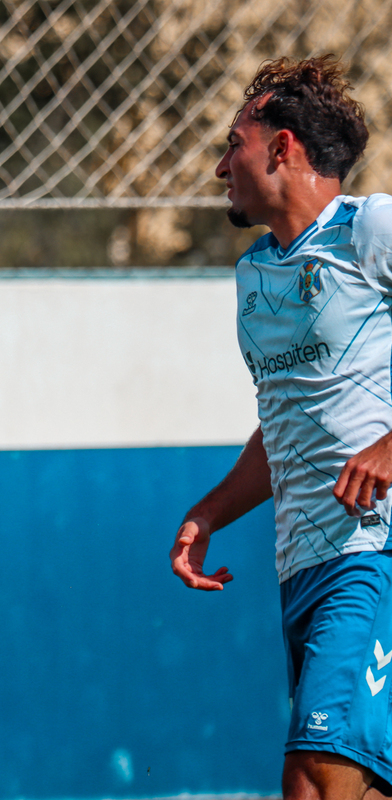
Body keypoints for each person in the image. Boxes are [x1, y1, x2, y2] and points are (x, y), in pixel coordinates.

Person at [169, 55, 392, 800]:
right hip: (304, 569)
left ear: (282, 147)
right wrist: (209, 511)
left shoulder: (371, 229)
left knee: (315, 776)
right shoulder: (253, 277)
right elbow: (286, 426)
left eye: (234, 144)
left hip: (375, 552)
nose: (220, 167)